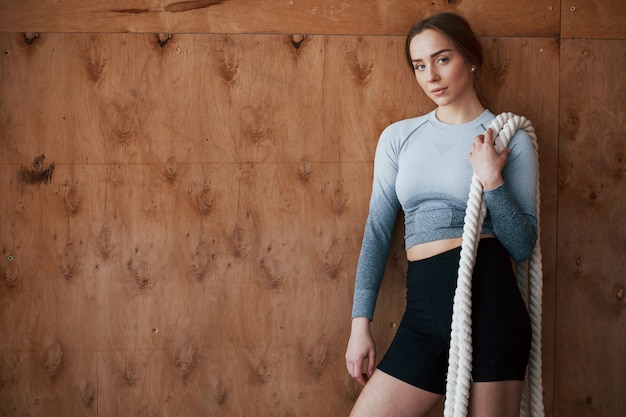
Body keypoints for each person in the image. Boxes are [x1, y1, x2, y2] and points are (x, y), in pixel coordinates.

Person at [345, 12, 538, 417]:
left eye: (442, 59)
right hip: (422, 317)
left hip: (490, 308)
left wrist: (492, 181)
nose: (430, 75)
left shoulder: (506, 137)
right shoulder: (399, 138)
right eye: (419, 65)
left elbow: (521, 246)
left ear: (470, 58)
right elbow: (378, 233)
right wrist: (359, 325)